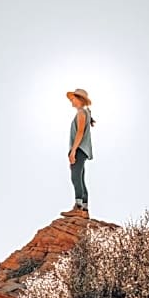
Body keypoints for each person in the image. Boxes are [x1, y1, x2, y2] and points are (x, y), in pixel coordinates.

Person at [62, 87, 95, 217]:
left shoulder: (81, 113)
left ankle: (78, 207)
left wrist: (73, 151)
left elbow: (80, 132)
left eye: (73, 98)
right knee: (80, 178)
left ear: (80, 99)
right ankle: (84, 210)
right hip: (83, 150)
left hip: (79, 149)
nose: (71, 101)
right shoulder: (85, 113)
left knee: (75, 177)